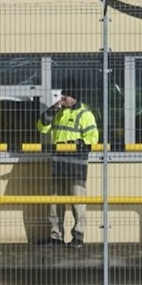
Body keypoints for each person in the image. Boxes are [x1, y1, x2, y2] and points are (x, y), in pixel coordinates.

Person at [36, 88, 99, 245]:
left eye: (67, 95)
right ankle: (55, 236)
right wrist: (53, 109)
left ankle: (78, 236)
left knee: (78, 201)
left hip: (76, 165)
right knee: (55, 201)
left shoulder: (85, 114)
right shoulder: (58, 112)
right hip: (58, 164)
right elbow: (41, 127)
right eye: (62, 95)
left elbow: (93, 138)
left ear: (74, 97)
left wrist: (73, 144)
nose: (63, 98)